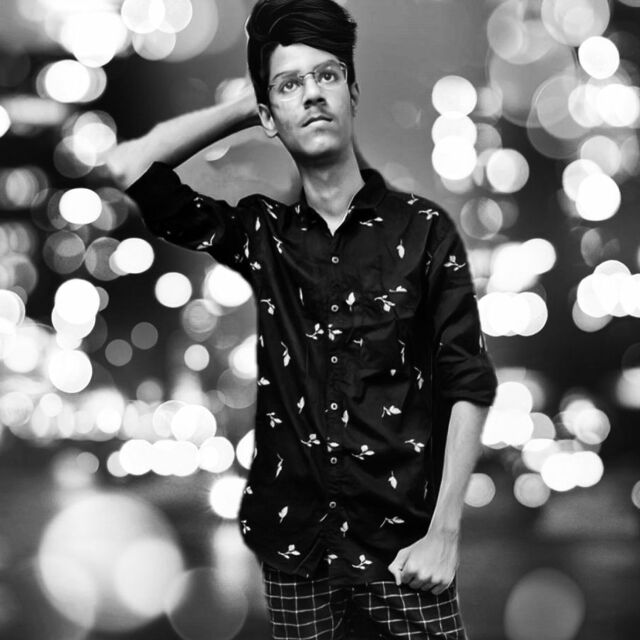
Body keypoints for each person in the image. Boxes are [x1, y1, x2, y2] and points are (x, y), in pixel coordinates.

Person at [109, 0, 498, 637]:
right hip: (297, 554)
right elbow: (130, 168)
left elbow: (468, 381)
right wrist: (250, 105)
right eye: (290, 85)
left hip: (405, 553)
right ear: (269, 115)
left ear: (352, 91)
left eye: (327, 76)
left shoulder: (424, 231)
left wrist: (445, 533)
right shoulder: (262, 234)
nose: (312, 94)